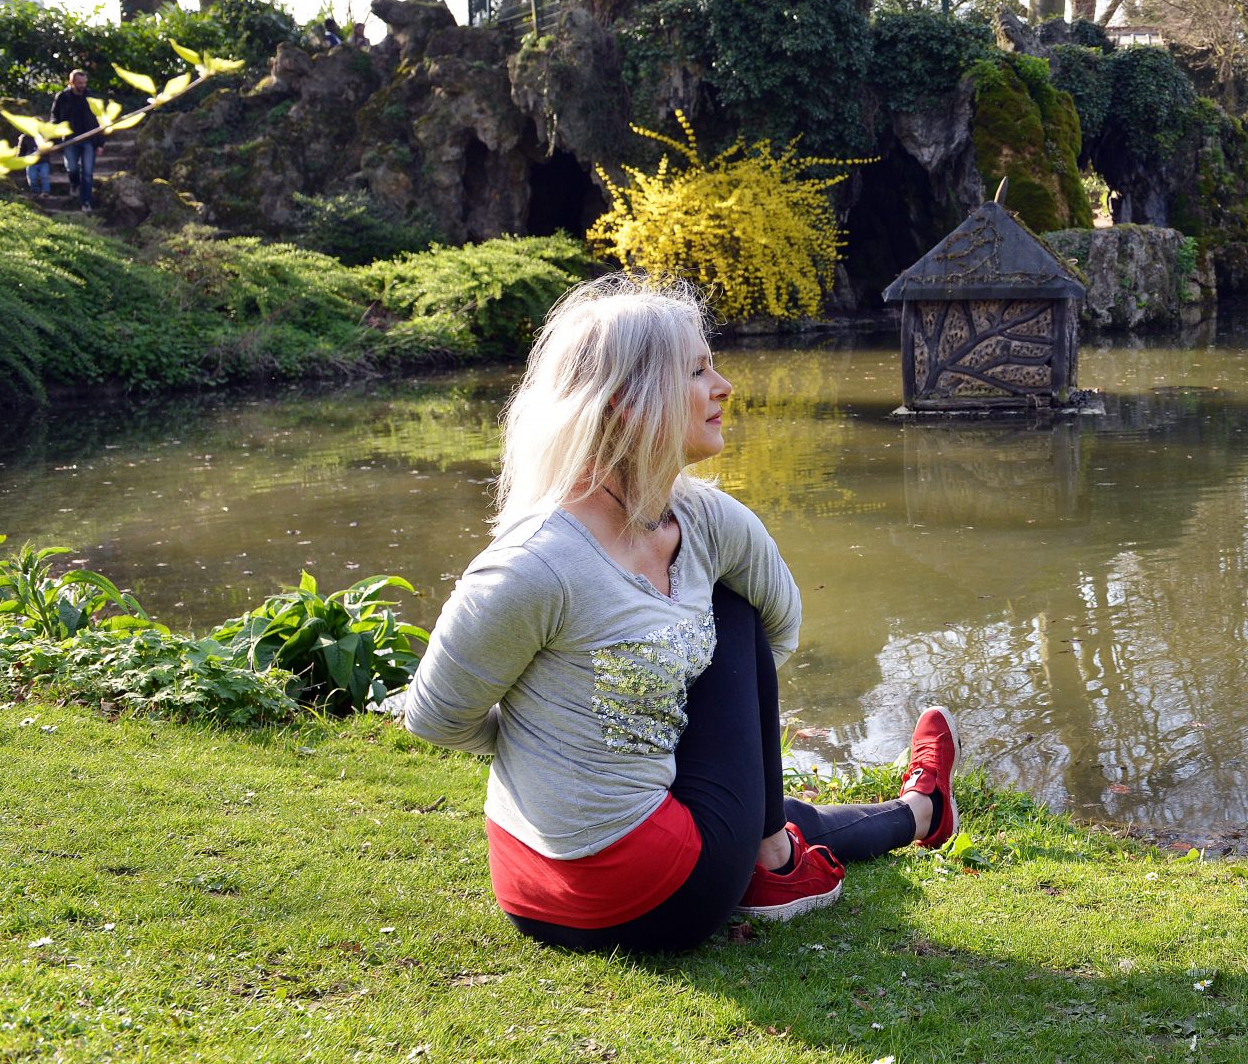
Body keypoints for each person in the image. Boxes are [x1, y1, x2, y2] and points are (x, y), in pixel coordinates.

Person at [396, 276, 961, 954]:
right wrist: (558, 736)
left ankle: (918, 810)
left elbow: (782, 633)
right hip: (652, 891)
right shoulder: (536, 561)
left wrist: (649, 715)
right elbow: (434, 716)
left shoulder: (706, 517)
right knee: (734, 607)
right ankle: (781, 859)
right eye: (697, 370)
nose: (723, 386)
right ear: (627, 404)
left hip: (534, 892)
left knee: (770, 802)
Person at [50, 70, 97, 211]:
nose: (82, 85)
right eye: (79, 83)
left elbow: (98, 120)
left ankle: (86, 202)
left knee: (88, 173)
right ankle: (74, 183)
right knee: (72, 168)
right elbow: (54, 117)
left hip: (88, 139)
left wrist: (100, 143)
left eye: (84, 83)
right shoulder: (62, 97)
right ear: (71, 83)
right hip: (69, 139)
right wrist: (56, 137)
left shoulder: (91, 97)